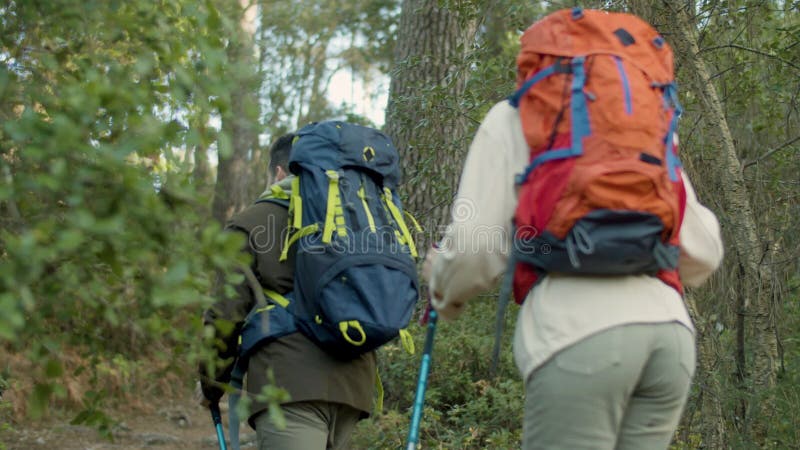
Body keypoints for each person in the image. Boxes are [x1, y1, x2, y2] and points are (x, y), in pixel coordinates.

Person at [422, 26, 724, 450]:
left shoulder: (515, 116)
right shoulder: (649, 124)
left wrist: (443, 287)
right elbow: (705, 251)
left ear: (535, 62)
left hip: (577, 334)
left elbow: (474, 247)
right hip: (669, 336)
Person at [198, 134, 377, 450]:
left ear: (280, 172)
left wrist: (211, 383)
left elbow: (226, 314)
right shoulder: (356, 220)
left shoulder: (251, 222)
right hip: (353, 388)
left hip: (287, 384)